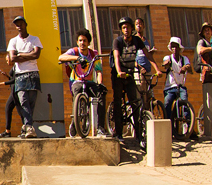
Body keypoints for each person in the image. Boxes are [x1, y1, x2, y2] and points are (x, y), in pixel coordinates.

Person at [59, 29, 106, 136]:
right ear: (77, 42)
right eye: (80, 40)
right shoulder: (74, 51)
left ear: (88, 43)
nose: (82, 43)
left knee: (101, 94)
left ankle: (100, 127)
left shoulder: (93, 54)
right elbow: (61, 57)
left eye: (84, 40)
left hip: (89, 82)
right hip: (76, 81)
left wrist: (100, 83)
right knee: (77, 92)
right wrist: (77, 58)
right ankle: (75, 122)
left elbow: (99, 71)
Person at [111, 16, 147, 149]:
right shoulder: (118, 41)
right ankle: (119, 133)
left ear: (132, 28)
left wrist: (156, 69)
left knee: (135, 102)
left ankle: (139, 134)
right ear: (121, 29)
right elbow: (116, 57)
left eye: (128, 27)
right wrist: (119, 71)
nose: (126, 30)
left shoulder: (137, 40)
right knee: (118, 102)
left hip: (130, 74)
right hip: (118, 74)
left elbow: (147, 54)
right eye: (123, 28)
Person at [6, 15, 43, 139]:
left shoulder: (34, 39)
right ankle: (29, 127)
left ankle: (26, 127)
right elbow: (13, 58)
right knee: (23, 102)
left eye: (21, 23)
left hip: (33, 74)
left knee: (31, 103)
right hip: (20, 76)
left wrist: (20, 54)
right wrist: (29, 54)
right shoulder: (13, 41)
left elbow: (36, 55)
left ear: (25, 24)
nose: (19, 26)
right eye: (17, 24)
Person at [161, 37, 193, 123]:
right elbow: (164, 64)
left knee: (185, 102)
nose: (174, 49)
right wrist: (166, 64)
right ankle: (167, 124)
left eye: (176, 47)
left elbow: (189, 67)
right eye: (173, 47)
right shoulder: (168, 57)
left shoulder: (184, 59)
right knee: (167, 103)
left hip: (181, 86)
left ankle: (188, 124)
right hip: (170, 87)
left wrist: (185, 67)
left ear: (179, 48)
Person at [194, 22, 212, 138]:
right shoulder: (202, 42)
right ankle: (208, 131)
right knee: (209, 101)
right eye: (205, 30)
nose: (207, 32)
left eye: (209, 30)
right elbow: (200, 50)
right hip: (207, 74)